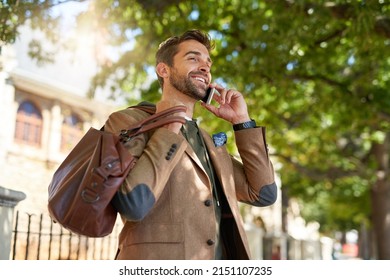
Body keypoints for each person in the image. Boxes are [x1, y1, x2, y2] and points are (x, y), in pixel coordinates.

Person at [104, 29, 277, 260]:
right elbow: (133, 203)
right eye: (193, 58)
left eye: (208, 63)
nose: (205, 67)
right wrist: (171, 122)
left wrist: (242, 123)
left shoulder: (207, 140)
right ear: (164, 69)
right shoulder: (129, 122)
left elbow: (264, 194)